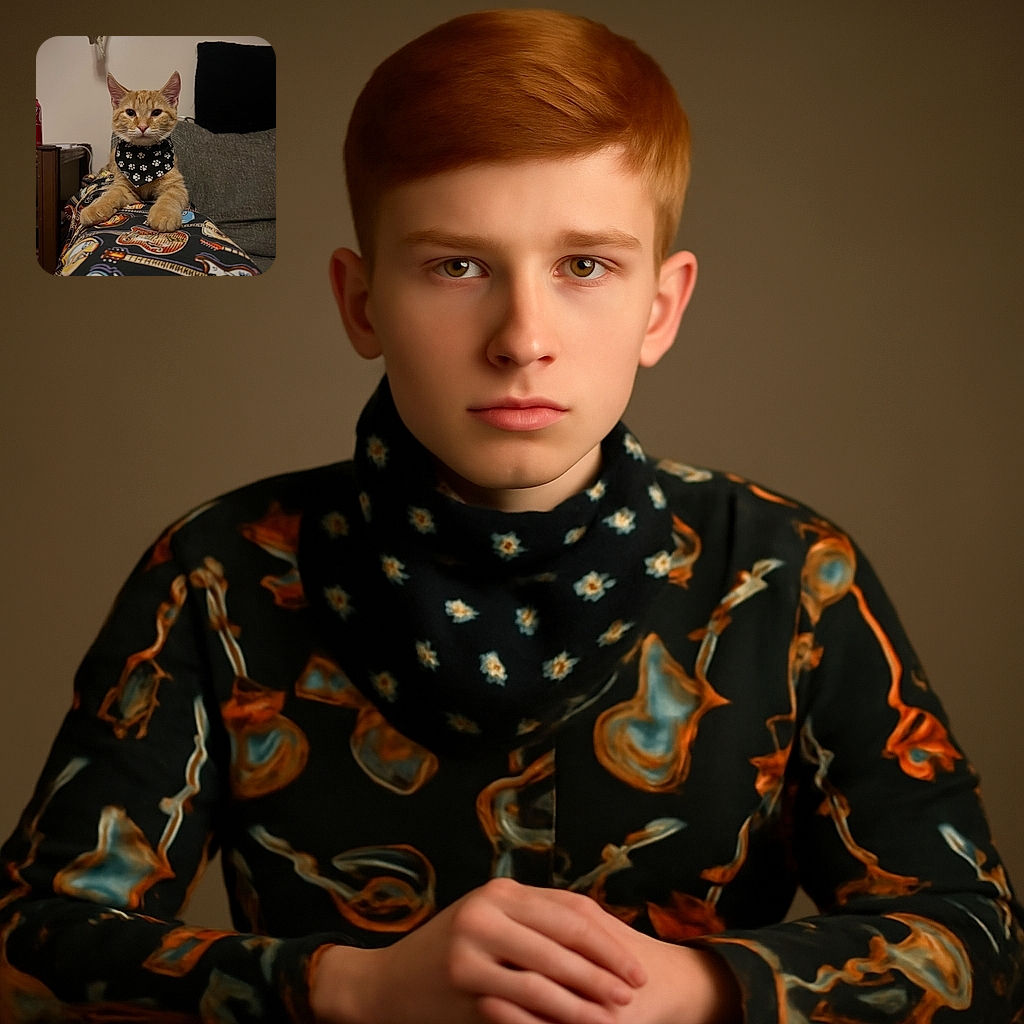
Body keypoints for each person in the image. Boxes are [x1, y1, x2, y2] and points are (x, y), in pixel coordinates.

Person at [1, 9, 1021, 1023]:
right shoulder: (220, 572)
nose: (522, 338)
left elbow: (978, 942)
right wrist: (355, 989)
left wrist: (698, 989)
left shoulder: (789, 573)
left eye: (585, 265)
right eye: (457, 265)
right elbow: (24, 948)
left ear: (660, 307)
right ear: (361, 302)